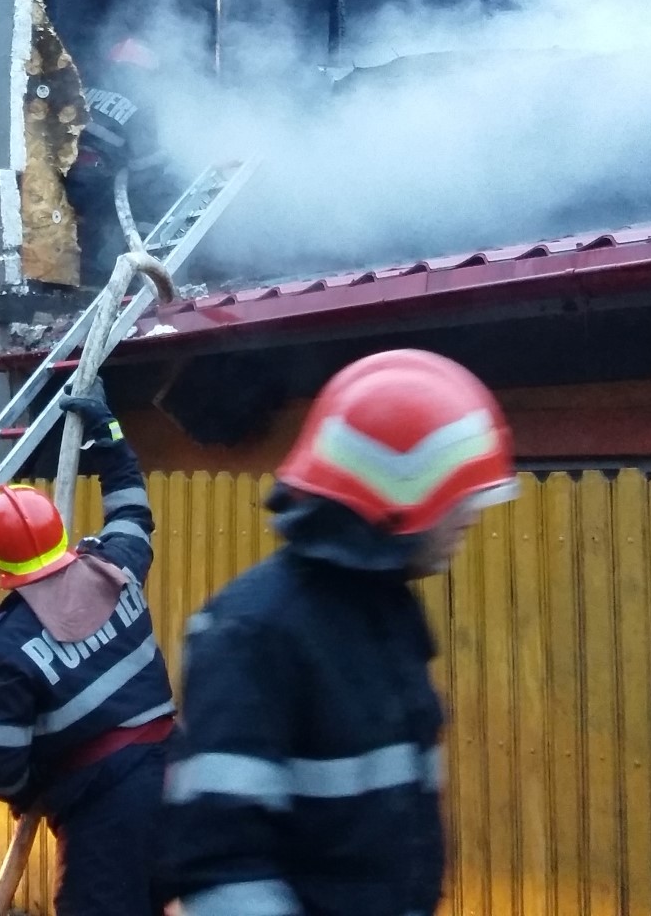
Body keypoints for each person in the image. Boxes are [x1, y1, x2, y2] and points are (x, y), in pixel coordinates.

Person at [156, 350, 518, 916]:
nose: (470, 514)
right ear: (401, 489)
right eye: (458, 492)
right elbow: (225, 872)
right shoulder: (253, 633)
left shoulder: (386, 614)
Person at [0, 388, 175, 916]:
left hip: (106, 813)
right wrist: (108, 433)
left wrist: (25, 793)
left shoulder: (14, 642)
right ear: (59, 532)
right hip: (178, 772)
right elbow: (131, 506)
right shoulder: (115, 565)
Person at [72, 38, 171, 283]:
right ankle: (145, 275)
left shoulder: (84, 91)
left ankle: (84, 267)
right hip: (96, 186)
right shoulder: (140, 107)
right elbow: (147, 164)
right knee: (159, 195)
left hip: (65, 179)